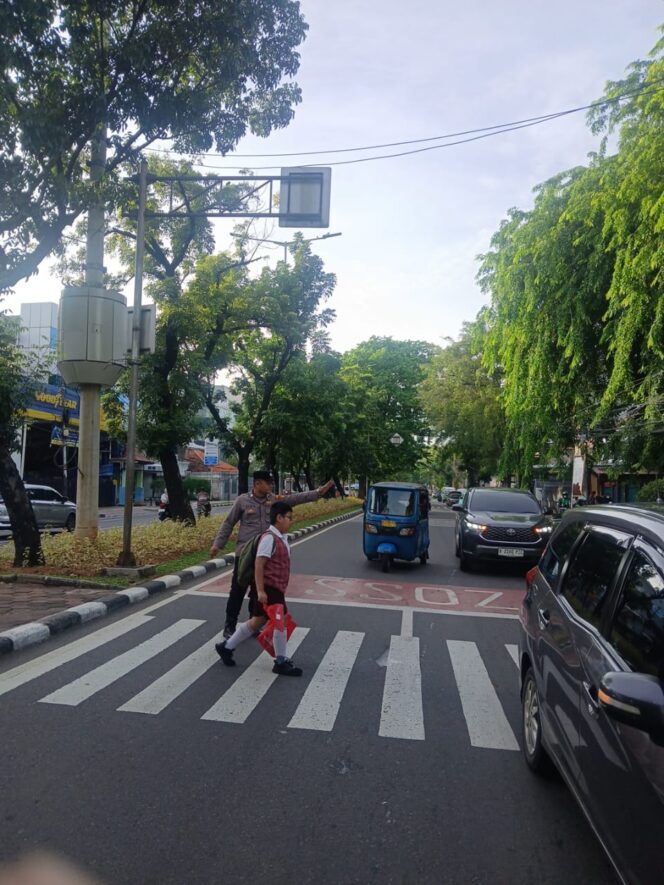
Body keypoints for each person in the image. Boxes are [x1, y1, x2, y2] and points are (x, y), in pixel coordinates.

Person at [209, 469, 335, 640]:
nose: (271, 485)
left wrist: (317, 493)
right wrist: (218, 544)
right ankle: (229, 625)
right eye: (268, 482)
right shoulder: (242, 501)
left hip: (266, 554)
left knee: (257, 593)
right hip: (246, 554)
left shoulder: (274, 500)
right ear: (258, 483)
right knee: (237, 590)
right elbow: (228, 523)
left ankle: (251, 625)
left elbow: (295, 499)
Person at [216, 501, 301, 675]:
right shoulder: (269, 538)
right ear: (279, 518)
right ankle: (280, 661)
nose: (291, 521)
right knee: (280, 623)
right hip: (269, 589)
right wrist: (261, 591)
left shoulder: (280, 537)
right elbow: (259, 564)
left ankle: (226, 647)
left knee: (257, 621)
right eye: (289, 518)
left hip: (272, 588)